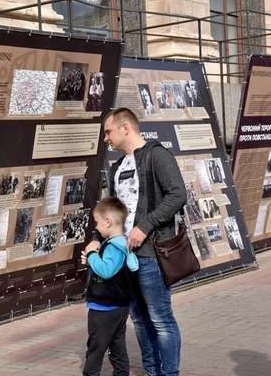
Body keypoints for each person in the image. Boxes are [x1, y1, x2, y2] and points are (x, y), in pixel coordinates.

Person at [87, 107, 186, 376]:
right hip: (124, 258)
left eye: (108, 131)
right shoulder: (117, 167)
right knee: (140, 320)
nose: (105, 138)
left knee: (160, 319)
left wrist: (145, 225)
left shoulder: (157, 155)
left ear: (125, 128)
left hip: (151, 254)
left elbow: (178, 194)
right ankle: (152, 371)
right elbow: (109, 212)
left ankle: (169, 373)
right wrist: (97, 240)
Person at [80, 197, 139, 376]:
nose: (96, 227)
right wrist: (92, 261)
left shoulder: (114, 246)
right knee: (117, 346)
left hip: (104, 307)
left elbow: (106, 271)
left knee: (95, 349)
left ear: (108, 221)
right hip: (119, 307)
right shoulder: (123, 243)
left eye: (97, 223)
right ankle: (121, 373)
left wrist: (91, 254)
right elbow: (123, 268)